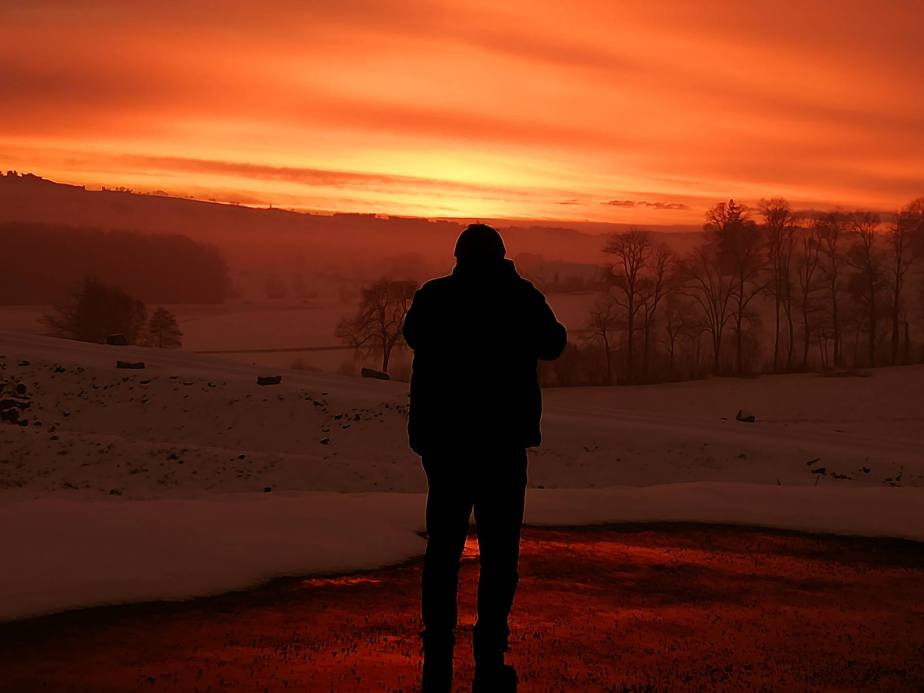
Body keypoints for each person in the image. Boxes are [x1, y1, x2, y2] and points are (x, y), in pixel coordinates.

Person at [403, 223, 567, 692]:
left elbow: (412, 335)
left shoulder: (435, 296)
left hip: (446, 443)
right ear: (500, 257)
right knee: (500, 549)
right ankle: (491, 637)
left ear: (458, 257)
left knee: (444, 545)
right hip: (502, 444)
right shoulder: (520, 297)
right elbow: (553, 344)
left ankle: (438, 636)